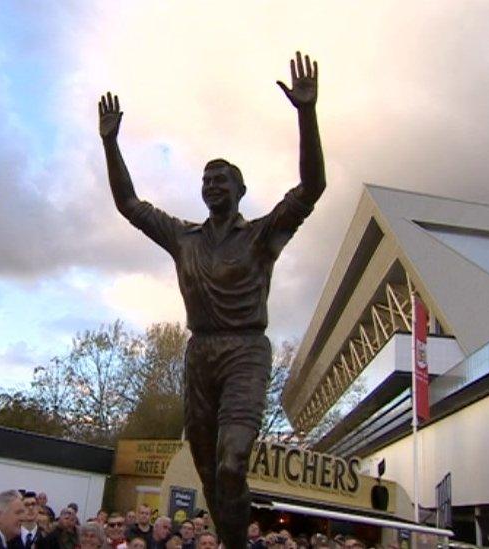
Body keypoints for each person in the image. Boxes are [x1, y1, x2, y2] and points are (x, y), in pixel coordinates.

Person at [98, 51, 325, 549]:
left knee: (231, 462)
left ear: (240, 190)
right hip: (200, 354)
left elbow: (312, 187)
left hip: (246, 351)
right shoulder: (185, 238)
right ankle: (230, 542)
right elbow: (128, 204)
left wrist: (306, 114)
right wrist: (111, 144)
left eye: (221, 179)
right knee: (208, 474)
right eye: (205, 179)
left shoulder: (263, 234)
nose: (211, 185)